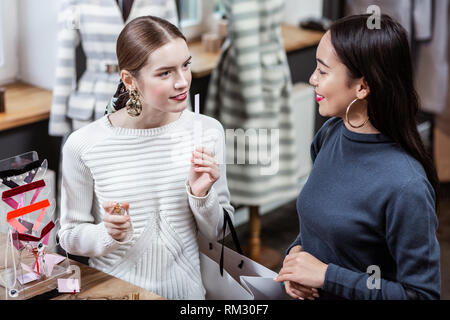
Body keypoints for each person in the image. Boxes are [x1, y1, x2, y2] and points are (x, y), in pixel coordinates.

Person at [58, 15, 234, 300]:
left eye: (186, 65)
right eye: (165, 73)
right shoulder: (84, 145)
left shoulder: (208, 131)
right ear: (130, 80)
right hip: (116, 294)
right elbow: (68, 236)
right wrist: (107, 234)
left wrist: (202, 197)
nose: (182, 82)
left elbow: (218, 232)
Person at [274, 14, 441, 300]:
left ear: (362, 87)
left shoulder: (406, 186)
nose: (312, 78)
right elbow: (322, 225)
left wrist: (326, 276)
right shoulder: (330, 134)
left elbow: (422, 294)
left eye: (323, 71)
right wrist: (296, 258)